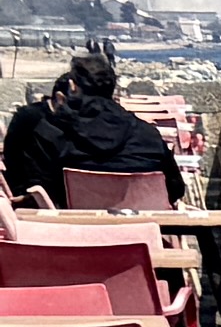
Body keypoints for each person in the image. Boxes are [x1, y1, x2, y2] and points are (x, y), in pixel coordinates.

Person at [5, 44, 183, 206]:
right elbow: (175, 189)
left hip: (76, 237)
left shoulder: (52, 135)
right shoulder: (147, 135)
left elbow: (39, 191)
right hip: (141, 233)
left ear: (72, 87)